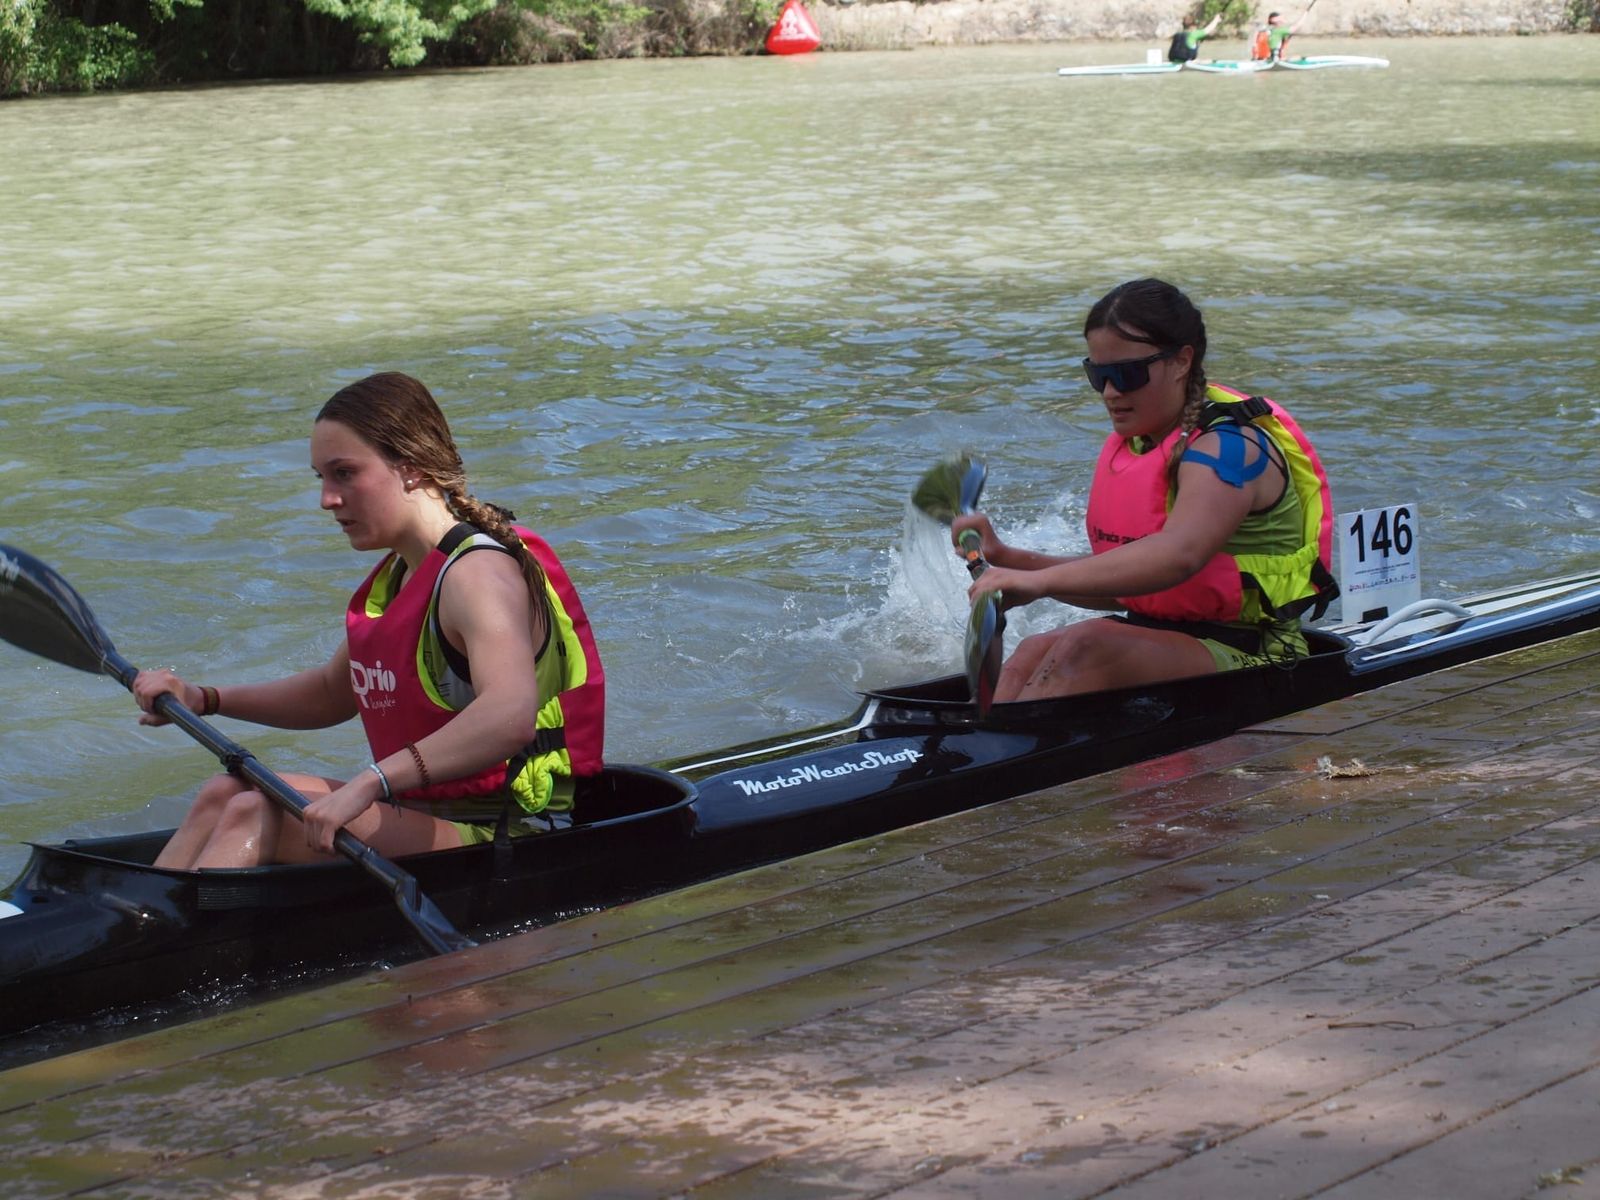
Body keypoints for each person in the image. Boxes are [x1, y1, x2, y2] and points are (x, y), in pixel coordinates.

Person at [133, 371, 606, 868]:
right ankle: (144, 924)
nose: (327, 500)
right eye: (322, 478)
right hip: (427, 811)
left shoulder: (477, 576)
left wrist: (372, 781)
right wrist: (204, 699)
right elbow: (332, 694)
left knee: (256, 812)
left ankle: (177, 934)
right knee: (224, 792)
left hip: (511, 832)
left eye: (344, 473)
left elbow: (509, 717)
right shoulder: (403, 575)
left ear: (412, 468)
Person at [951, 279, 1337, 704]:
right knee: (1030, 652)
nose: (1112, 393)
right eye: (1099, 376)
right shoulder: (1145, 445)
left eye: (1127, 374)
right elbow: (1128, 585)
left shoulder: (1229, 448)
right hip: (1168, 642)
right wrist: (1008, 559)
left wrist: (1039, 583)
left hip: (1259, 656)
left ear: (1180, 362)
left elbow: (1178, 556)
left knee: (1087, 646)